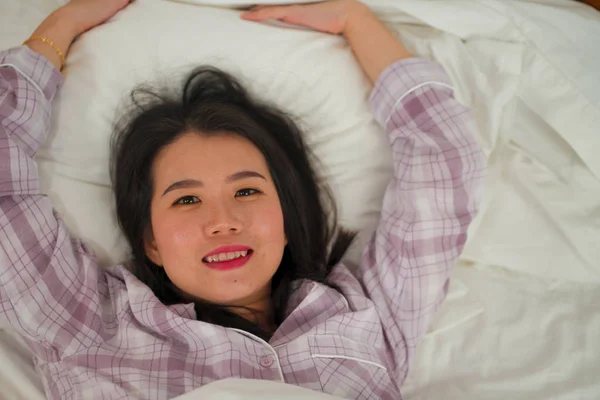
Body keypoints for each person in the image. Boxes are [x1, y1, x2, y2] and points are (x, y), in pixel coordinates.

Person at [0, 0, 485, 398]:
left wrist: (356, 20)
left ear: (285, 215)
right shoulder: (85, 320)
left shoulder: (368, 319)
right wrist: (62, 24)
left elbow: (443, 160)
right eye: (186, 201)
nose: (223, 221)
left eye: (247, 190)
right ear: (149, 240)